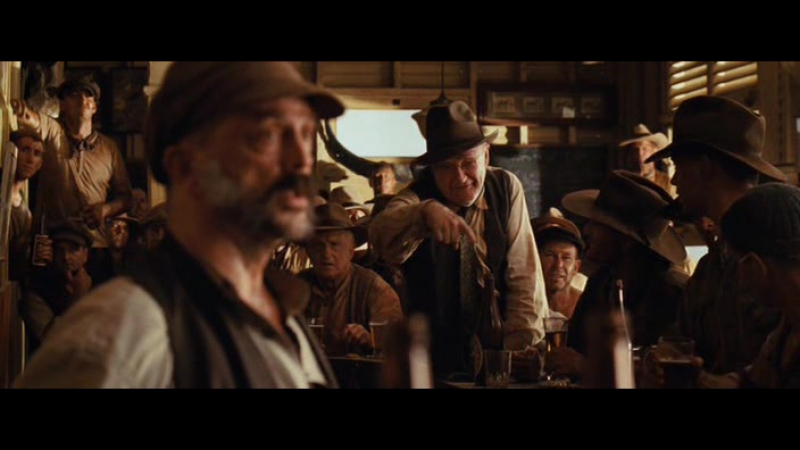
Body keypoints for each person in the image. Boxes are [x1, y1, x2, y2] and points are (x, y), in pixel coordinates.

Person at [15, 61, 345, 388]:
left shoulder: (286, 317)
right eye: (268, 136)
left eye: (305, 134)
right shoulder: (123, 335)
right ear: (185, 166)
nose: (301, 160)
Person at [369, 100, 548, 381]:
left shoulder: (506, 188)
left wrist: (513, 354)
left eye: (468, 163)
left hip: (500, 361)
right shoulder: (417, 198)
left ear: (486, 155)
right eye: (446, 168)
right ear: (432, 169)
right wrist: (424, 214)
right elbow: (379, 234)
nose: (460, 178)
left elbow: (525, 279)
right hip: (434, 365)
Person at [645, 95, 785, 375]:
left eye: (678, 166)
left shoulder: (779, 258)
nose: (674, 180)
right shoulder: (710, 268)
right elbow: (680, 340)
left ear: (705, 167)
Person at [545, 170, 690, 381]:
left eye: (597, 223)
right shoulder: (601, 282)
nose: (586, 230)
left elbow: (666, 373)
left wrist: (586, 367)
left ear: (625, 238)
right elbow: (573, 349)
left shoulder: (671, 290)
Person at [10, 76, 133, 253]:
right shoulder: (53, 131)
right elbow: (31, 119)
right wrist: (20, 111)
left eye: (88, 96)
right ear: (62, 105)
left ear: (94, 107)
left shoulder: (108, 148)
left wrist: (105, 210)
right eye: (74, 95)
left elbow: (127, 198)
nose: (82, 100)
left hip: (94, 247)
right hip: (54, 246)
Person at [695, 183, 800, 388]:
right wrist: (700, 380)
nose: (740, 279)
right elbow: (752, 380)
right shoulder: (788, 326)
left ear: (754, 265)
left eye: (738, 263)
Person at [298, 203, 403, 356]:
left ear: (351, 250)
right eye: (318, 246)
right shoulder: (297, 287)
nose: (326, 254)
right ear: (308, 252)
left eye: (334, 245)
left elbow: (397, 349)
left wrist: (371, 341)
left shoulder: (374, 289)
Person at [19, 218, 94, 353]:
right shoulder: (38, 291)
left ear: (85, 254)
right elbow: (55, 341)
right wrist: (77, 298)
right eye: (60, 250)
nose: (66, 257)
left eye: (73, 250)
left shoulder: (100, 285)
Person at [531, 211, 585, 320]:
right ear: (536, 260)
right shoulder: (522, 303)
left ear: (576, 267)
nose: (558, 265)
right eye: (550, 255)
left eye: (566, 258)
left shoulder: (587, 305)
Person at [7, 129, 45, 283]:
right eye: (25, 150)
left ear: (40, 164)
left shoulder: (25, 214)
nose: (30, 159)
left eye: (36, 154)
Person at [618, 124, 674, 196]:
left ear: (654, 151)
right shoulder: (624, 182)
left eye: (645, 149)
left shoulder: (667, 184)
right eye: (636, 150)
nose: (640, 154)